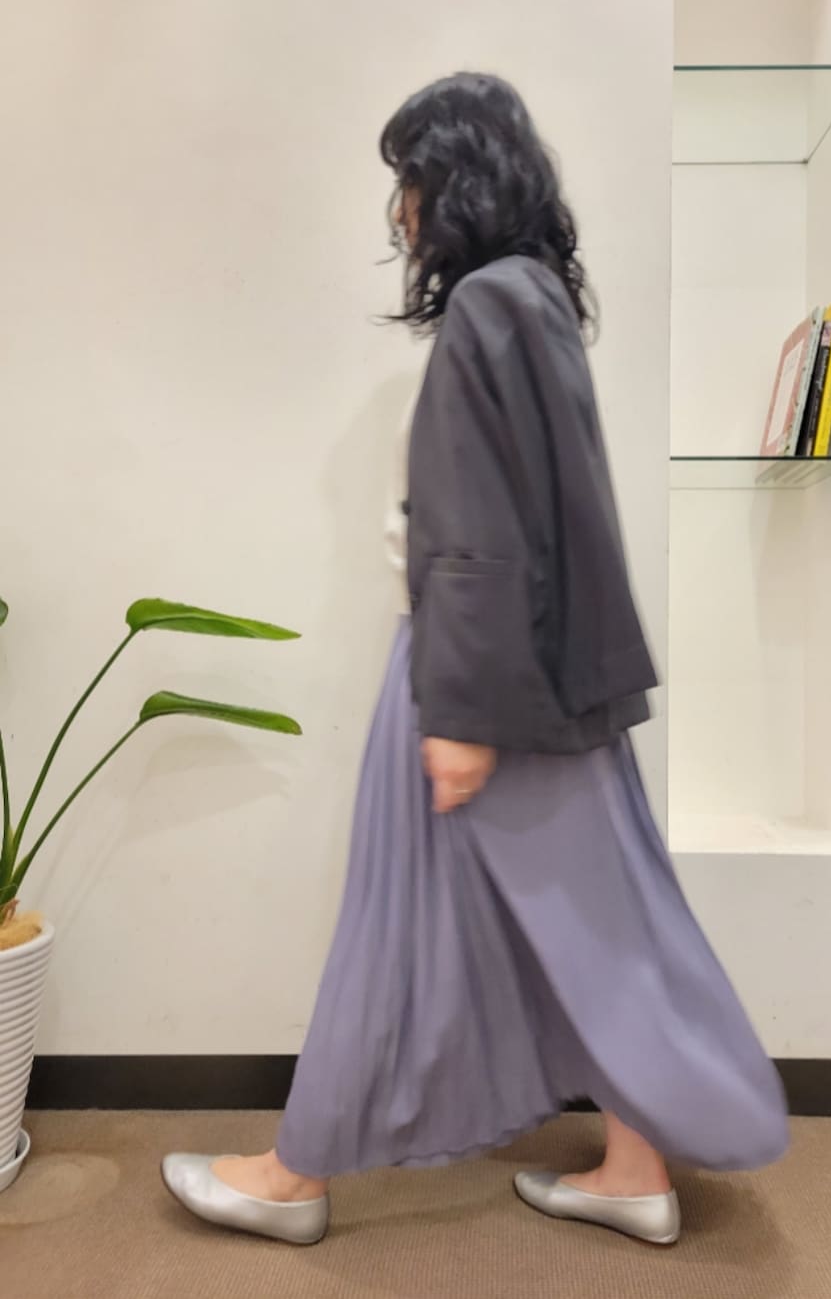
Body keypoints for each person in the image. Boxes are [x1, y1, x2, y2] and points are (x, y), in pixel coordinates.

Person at [161, 72, 789, 1249]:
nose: (398, 210)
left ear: (452, 184)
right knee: (599, 927)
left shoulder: (491, 308)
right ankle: (633, 1166)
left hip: (476, 679)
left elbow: (483, 536)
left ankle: (290, 1177)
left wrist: (456, 713)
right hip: (546, 685)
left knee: (397, 925)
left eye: (408, 180)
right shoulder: (534, 299)